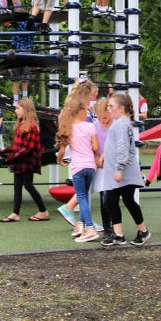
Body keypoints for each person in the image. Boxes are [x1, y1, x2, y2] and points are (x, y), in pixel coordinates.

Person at [100, 93, 150, 247]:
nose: (108, 109)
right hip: (119, 171)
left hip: (123, 172)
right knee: (113, 200)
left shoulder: (121, 124)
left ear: (121, 109)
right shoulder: (121, 123)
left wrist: (119, 169)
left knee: (125, 200)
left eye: (111, 106)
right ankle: (120, 234)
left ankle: (142, 231)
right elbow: (117, 146)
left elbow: (123, 148)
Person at [55, 99, 102, 242]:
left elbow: (62, 150)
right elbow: (95, 147)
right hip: (91, 167)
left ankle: (90, 228)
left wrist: (60, 160)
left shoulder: (69, 129)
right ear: (82, 112)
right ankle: (81, 225)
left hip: (78, 167)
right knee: (84, 197)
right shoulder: (90, 127)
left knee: (81, 197)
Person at [0, 98, 50, 222]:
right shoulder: (21, 125)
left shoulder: (31, 126)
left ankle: (43, 211)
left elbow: (28, 147)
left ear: (26, 110)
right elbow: (19, 146)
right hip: (20, 161)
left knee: (28, 185)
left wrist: (13, 157)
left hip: (28, 162)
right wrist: (9, 151)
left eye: (17, 108)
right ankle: (15, 213)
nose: (15, 111)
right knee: (17, 186)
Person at [92, 97, 114, 239]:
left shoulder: (115, 125)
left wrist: (104, 156)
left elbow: (115, 143)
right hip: (100, 166)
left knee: (111, 197)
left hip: (111, 163)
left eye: (105, 117)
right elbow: (93, 144)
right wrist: (96, 157)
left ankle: (113, 224)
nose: (103, 120)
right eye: (100, 118)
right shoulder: (95, 125)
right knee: (103, 197)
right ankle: (107, 226)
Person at [8, 19, 32, 102]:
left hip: (16, 51)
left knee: (15, 78)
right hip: (27, 52)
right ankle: (25, 97)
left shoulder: (17, 22)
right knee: (25, 77)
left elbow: (8, 22)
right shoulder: (31, 24)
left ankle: (15, 99)